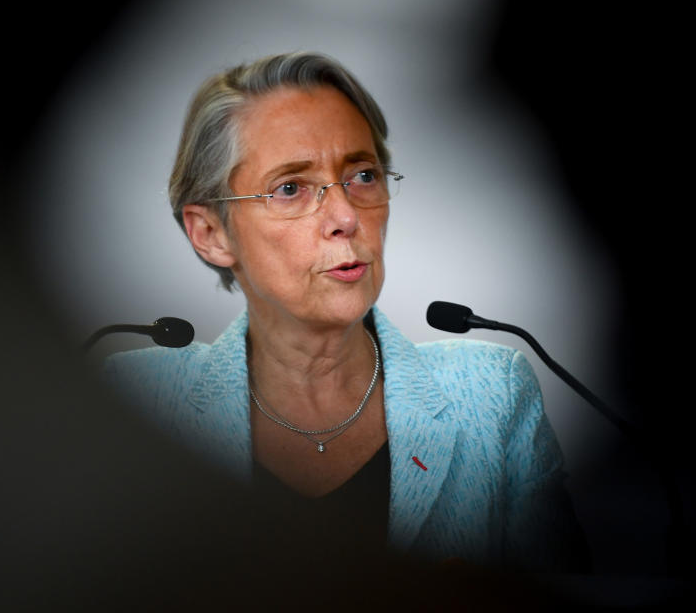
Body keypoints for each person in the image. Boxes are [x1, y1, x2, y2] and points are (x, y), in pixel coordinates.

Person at [104, 52, 589, 573]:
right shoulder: (140, 398)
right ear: (211, 233)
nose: (345, 217)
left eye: (362, 175)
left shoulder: (493, 394)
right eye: (290, 188)